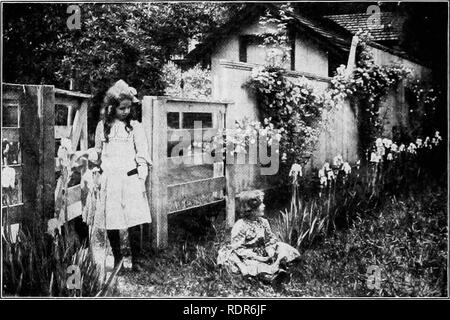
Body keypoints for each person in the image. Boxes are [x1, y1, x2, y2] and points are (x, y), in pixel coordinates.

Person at [94, 79, 152, 272]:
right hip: (111, 179)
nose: (126, 111)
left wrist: (141, 174)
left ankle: (137, 260)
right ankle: (118, 259)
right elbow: (98, 152)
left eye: (128, 108)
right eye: (122, 108)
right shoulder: (103, 127)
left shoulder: (134, 127)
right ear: (112, 108)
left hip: (130, 177)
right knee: (113, 220)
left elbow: (141, 152)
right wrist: (97, 171)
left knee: (135, 220)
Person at [217, 190, 300, 291]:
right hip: (249, 255)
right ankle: (272, 277)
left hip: (264, 252)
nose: (264, 206)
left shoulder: (263, 222)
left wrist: (270, 250)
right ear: (251, 209)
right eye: (261, 204)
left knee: (283, 247)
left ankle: (280, 270)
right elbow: (238, 249)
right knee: (253, 266)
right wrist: (258, 257)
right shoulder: (240, 225)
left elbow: (270, 239)